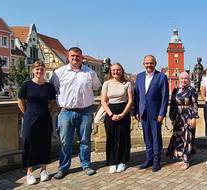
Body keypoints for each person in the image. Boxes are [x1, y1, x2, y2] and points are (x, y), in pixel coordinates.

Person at [50, 47, 101, 179]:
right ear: (68, 56)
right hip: (65, 112)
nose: (75, 58)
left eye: (77, 56)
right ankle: (63, 168)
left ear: (81, 57)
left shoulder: (90, 73)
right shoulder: (59, 72)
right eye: (72, 56)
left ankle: (86, 165)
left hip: (85, 111)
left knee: (85, 140)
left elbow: (96, 87)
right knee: (64, 141)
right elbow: (53, 89)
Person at [18, 61, 56, 185]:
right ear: (33, 70)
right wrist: (27, 114)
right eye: (37, 69)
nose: (40, 72)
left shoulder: (49, 87)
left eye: (42, 69)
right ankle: (29, 173)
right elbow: (21, 102)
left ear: (44, 71)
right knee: (29, 145)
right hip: (30, 120)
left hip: (45, 120)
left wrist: (47, 114)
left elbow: (53, 104)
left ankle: (44, 170)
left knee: (44, 144)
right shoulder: (26, 85)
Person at [134, 55, 169, 172]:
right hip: (143, 112)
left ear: (155, 63)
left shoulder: (161, 77)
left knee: (156, 138)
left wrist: (162, 113)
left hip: (155, 113)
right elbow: (136, 96)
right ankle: (148, 160)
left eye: (151, 63)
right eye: (147, 63)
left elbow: (165, 97)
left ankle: (156, 161)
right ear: (143, 64)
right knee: (147, 137)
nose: (149, 65)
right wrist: (136, 111)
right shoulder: (139, 77)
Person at [101, 63, 133, 173]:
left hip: (123, 111)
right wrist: (110, 114)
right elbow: (103, 101)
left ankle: (122, 161)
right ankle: (112, 162)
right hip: (110, 111)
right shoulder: (106, 83)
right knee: (111, 137)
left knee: (123, 137)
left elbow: (130, 100)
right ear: (111, 71)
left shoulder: (127, 83)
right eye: (114, 70)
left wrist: (123, 114)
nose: (116, 72)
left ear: (122, 71)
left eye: (118, 70)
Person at [167, 71, 199, 169]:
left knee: (187, 137)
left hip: (188, 116)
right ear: (179, 79)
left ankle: (186, 160)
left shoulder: (192, 90)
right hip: (178, 116)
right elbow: (172, 104)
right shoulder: (176, 90)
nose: (184, 80)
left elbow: (195, 105)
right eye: (182, 78)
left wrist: (194, 117)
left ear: (189, 80)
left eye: (186, 78)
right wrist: (172, 117)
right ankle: (181, 157)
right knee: (179, 137)